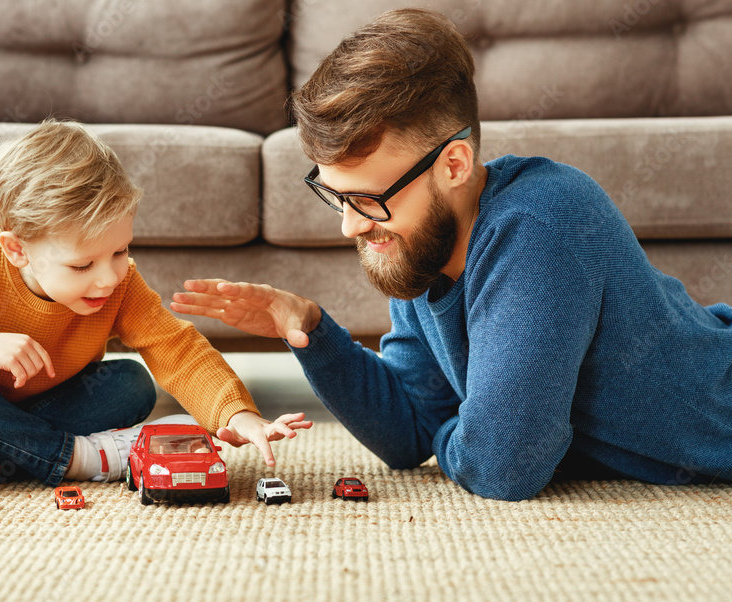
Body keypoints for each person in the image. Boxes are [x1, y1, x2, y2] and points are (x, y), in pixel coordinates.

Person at [171, 8, 732, 501]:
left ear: (455, 165)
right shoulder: (422, 247)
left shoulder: (541, 222)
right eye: (335, 195)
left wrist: (465, 431)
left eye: (367, 198)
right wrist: (313, 331)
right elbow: (411, 429)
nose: (349, 226)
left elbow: (502, 467)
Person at [0, 119, 311, 495]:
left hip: (37, 413)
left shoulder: (119, 284)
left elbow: (176, 348)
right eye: (82, 265)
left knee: (132, 384)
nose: (109, 276)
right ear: (17, 250)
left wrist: (238, 414)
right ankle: (76, 458)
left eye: (120, 252)